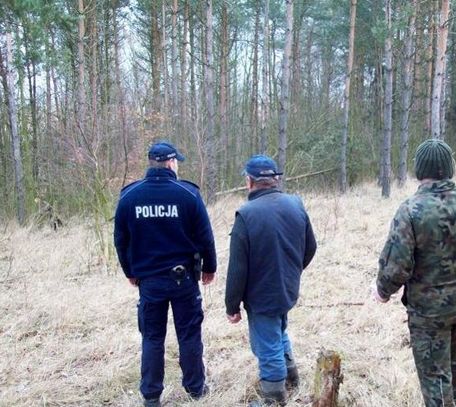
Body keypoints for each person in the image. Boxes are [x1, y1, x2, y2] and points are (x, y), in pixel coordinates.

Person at [373, 139, 456, 407]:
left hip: (429, 310)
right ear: (449, 168)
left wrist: (382, 291)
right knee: (455, 355)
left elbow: (396, 266)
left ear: (420, 170)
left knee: (434, 372)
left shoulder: (411, 210)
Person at [114, 141, 217, 407]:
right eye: (176, 162)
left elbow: (121, 241)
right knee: (189, 335)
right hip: (184, 280)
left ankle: (151, 396)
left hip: (149, 282)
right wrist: (210, 268)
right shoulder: (188, 195)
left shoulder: (129, 197)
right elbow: (205, 237)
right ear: (171, 163)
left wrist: (130, 272)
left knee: (152, 338)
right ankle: (196, 389)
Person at [225, 155, 317, 406]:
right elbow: (310, 247)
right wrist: (291, 272)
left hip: (261, 295)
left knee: (267, 346)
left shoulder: (246, 214)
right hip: (287, 288)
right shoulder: (295, 204)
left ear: (249, 181)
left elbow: (237, 269)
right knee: (279, 331)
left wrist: (232, 306)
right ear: (275, 179)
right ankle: (292, 377)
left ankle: (274, 399)